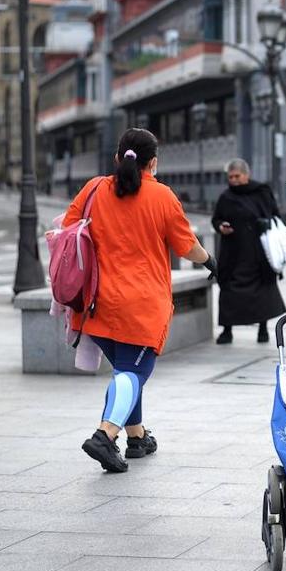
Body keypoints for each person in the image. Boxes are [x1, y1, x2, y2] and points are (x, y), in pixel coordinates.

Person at [66, 128, 216, 473]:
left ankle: (137, 437)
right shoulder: (161, 196)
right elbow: (186, 247)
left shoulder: (92, 189)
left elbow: (70, 230)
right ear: (154, 163)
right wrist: (209, 259)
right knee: (132, 374)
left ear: (117, 158)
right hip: (141, 306)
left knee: (125, 372)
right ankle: (105, 435)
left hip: (95, 303)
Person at [211, 159, 286, 345]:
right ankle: (227, 331)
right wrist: (221, 226)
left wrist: (265, 223)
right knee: (229, 291)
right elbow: (216, 219)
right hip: (233, 253)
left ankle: (263, 329)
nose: (234, 180)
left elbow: (275, 216)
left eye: (237, 176)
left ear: (246, 175)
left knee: (262, 292)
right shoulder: (226, 197)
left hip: (260, 252)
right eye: (230, 177)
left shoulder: (262, 192)